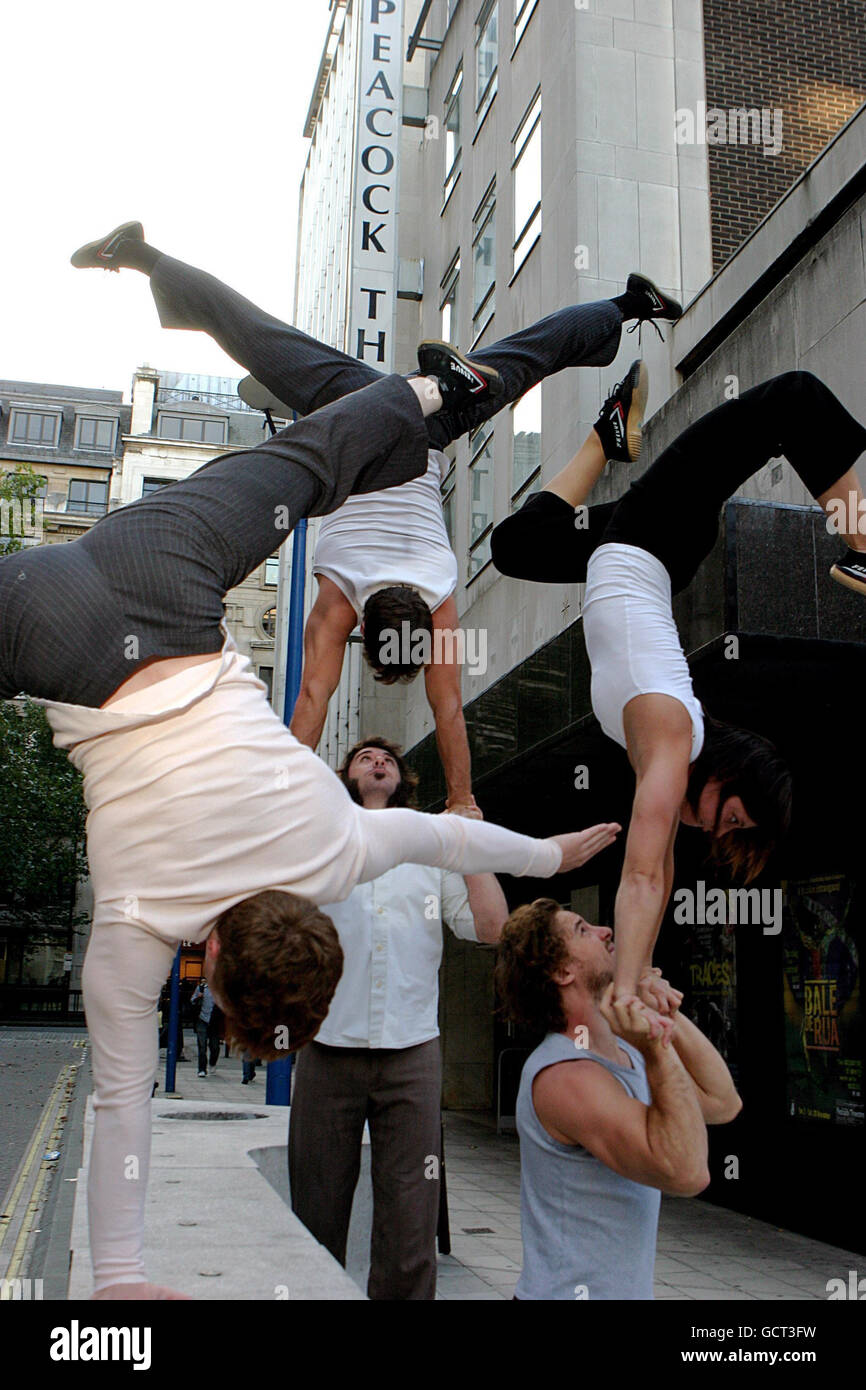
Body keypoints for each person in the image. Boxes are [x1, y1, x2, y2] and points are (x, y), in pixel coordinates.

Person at [0, 232, 620, 1300]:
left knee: (311, 456)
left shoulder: (332, 846)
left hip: (173, 577)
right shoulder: (139, 930)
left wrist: (550, 848)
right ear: (216, 963)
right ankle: (432, 392)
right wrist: (118, 1279)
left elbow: (443, 830)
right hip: (55, 631)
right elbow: (119, 1104)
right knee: (320, 449)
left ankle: (438, 392)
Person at [70, 220, 681, 814]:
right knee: (260, 337)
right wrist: (274, 792)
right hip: (359, 419)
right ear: (367, 630)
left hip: (425, 433)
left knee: (528, 358)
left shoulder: (440, 594)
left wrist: (466, 799)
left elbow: (448, 713)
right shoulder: (340, 601)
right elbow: (312, 698)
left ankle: (626, 305)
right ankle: (146, 259)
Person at [491, 368, 866, 1012]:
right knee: (793, 399)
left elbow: (656, 874)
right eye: (736, 814)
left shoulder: (659, 761)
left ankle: (605, 437)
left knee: (517, 546)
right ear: (729, 769)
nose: (714, 826)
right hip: (656, 533)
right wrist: (629, 991)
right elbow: (639, 876)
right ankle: (862, 540)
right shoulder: (671, 734)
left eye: (727, 832)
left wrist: (640, 974)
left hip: (633, 544)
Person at [289, 736, 511, 1300]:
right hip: (327, 1047)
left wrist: (475, 842)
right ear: (346, 777)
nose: (378, 761)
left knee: (412, 1220)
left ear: (404, 779)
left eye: (387, 758)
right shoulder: (325, 838)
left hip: (412, 1052)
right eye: (364, 757)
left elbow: (491, 928)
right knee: (315, 1212)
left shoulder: (432, 847)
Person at [495, 898, 742, 1299]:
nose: (605, 931)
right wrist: (658, 1050)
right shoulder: (566, 1076)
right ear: (562, 972)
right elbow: (687, 1173)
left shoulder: (622, 1054)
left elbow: (722, 1101)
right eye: (582, 930)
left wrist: (665, 1016)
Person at [191, 979, 221, 1076]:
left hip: (215, 1021)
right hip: (202, 1019)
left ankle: (212, 1062)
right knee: (202, 1046)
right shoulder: (201, 988)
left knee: (215, 1046)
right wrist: (198, 997)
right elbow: (192, 1001)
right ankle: (202, 1069)